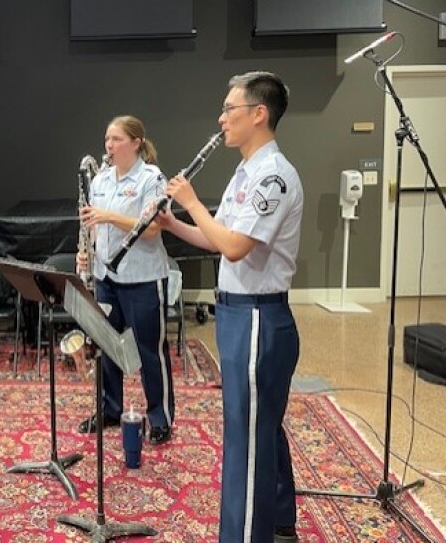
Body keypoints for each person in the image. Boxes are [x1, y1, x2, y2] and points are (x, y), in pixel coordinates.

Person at [158, 71, 303, 543]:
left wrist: (192, 202)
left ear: (258, 114)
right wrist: (173, 223)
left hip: (259, 315)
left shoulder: (274, 175)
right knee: (261, 426)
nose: (221, 119)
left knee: (246, 441)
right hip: (240, 313)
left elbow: (236, 246)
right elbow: (215, 239)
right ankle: (281, 519)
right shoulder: (246, 170)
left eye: (229, 110)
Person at [76, 115, 175, 445]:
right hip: (106, 277)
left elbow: (152, 228)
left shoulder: (152, 178)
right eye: (107, 139)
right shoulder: (101, 179)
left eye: (116, 139)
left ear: (135, 142)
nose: (109, 146)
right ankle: (110, 409)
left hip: (143, 277)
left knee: (149, 350)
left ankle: (159, 417)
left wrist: (108, 216)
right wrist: (87, 253)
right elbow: (93, 225)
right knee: (107, 346)